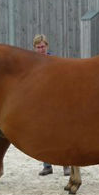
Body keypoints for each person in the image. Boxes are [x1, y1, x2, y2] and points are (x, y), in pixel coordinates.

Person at [32, 34, 75, 178]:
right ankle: (47, 165)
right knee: (45, 135)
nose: (41, 49)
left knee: (62, 134)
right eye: (38, 47)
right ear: (34, 48)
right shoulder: (32, 63)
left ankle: (66, 166)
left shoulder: (54, 61)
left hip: (55, 101)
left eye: (43, 46)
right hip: (41, 102)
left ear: (47, 46)